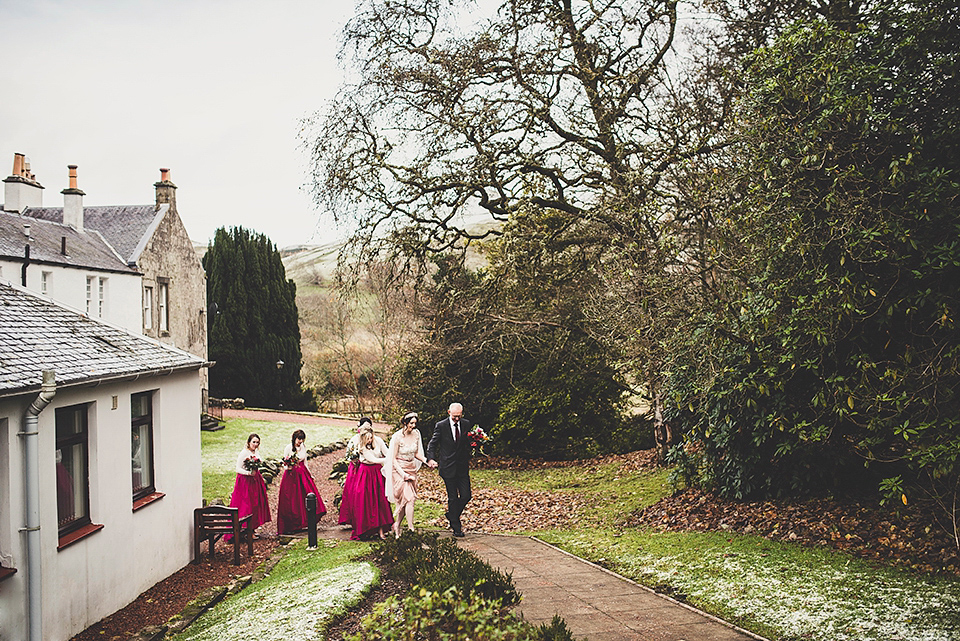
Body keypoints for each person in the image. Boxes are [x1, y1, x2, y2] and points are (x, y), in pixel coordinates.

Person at [426, 402, 472, 537]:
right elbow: (432, 444)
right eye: (454, 416)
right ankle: (456, 527)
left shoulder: (466, 424)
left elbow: (468, 443)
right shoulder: (441, 426)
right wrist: (431, 458)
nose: (457, 419)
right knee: (452, 498)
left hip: (462, 467)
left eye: (459, 416)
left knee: (466, 495)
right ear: (449, 413)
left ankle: (451, 515)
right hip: (447, 467)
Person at [385, 412, 428, 537]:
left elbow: (416, 454)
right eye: (411, 423)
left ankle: (397, 524)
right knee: (410, 498)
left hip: (411, 469)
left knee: (406, 501)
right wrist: (403, 474)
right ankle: (411, 530)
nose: (413, 426)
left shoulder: (416, 434)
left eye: (415, 423)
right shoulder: (397, 437)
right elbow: (393, 459)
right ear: (405, 423)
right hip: (398, 470)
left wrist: (426, 461)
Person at [348, 425, 394, 540]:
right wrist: (388, 460)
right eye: (368, 438)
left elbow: (387, 452)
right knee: (366, 501)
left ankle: (381, 531)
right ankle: (366, 529)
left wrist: (392, 457)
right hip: (366, 474)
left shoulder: (377, 442)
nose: (370, 440)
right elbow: (373, 460)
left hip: (377, 473)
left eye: (371, 437)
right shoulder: (362, 448)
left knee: (380, 501)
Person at [277, 429, 326, 534]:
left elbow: (305, 462)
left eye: (302, 440)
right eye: (299, 439)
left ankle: (307, 521)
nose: (300, 442)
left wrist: (310, 474)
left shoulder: (303, 447)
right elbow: (284, 463)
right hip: (291, 475)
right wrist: (288, 468)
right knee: (293, 499)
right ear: (294, 438)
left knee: (307, 495)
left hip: (302, 474)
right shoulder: (289, 448)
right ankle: (294, 524)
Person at [227, 433, 271, 539]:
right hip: (245, 481)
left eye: (257, 442)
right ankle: (246, 530)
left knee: (256, 503)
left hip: (255, 480)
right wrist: (248, 473)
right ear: (248, 442)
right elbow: (238, 468)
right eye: (254, 442)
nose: (255, 444)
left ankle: (253, 527)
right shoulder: (244, 453)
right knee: (247, 504)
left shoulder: (256, 452)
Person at [338, 417, 373, 527]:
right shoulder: (355, 439)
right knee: (355, 492)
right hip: (356, 468)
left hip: (367, 469)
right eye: (365, 426)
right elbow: (349, 454)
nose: (367, 428)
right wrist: (354, 459)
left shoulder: (372, 439)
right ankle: (354, 518)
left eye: (369, 426)